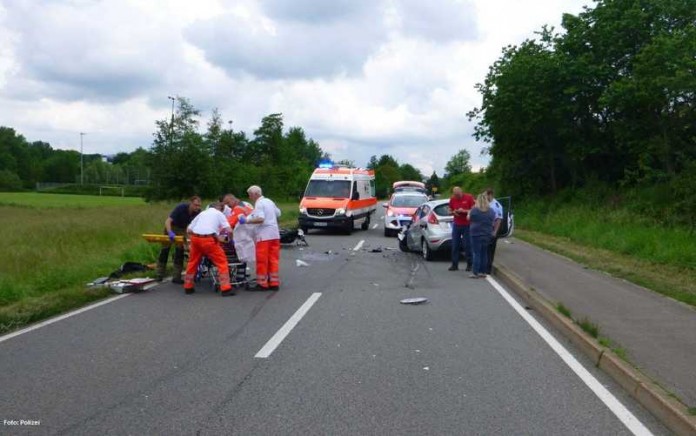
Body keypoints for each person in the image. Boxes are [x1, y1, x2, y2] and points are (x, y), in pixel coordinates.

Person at [183, 202, 234, 296]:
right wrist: (230, 239)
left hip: (195, 239)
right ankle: (226, 289)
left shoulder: (202, 213)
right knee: (222, 262)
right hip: (208, 240)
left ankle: (188, 287)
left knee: (192, 262)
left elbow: (189, 230)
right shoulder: (219, 214)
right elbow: (229, 230)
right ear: (218, 208)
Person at [240, 185, 281, 291]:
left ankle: (262, 283)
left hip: (264, 236)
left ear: (255, 194)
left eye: (250, 195)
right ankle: (274, 282)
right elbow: (278, 213)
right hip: (274, 235)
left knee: (262, 260)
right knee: (273, 259)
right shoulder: (269, 201)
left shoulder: (259, 203)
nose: (249, 198)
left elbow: (261, 219)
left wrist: (247, 221)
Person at [156, 196, 202, 283]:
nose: (197, 207)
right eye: (196, 205)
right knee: (165, 251)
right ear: (191, 203)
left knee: (180, 252)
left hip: (183, 229)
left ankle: (176, 276)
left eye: (199, 206)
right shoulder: (181, 208)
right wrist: (169, 232)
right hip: (172, 227)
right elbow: (168, 221)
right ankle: (159, 274)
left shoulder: (198, 213)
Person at [222, 193, 256, 277]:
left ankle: (238, 276)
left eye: (228, 203)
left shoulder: (237, 209)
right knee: (243, 257)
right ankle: (241, 275)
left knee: (238, 255)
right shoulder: (246, 206)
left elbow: (229, 224)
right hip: (250, 235)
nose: (228, 206)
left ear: (232, 199)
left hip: (241, 236)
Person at [468, 192, 496, 278]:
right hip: (487, 233)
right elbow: (493, 221)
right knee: (484, 253)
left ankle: (475, 272)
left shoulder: (475, 210)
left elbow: (469, 218)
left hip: (476, 233)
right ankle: (483, 271)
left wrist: (469, 213)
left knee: (476, 253)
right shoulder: (491, 211)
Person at [448, 187, 475, 271]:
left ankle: (469, 264)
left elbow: (474, 209)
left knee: (467, 245)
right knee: (455, 245)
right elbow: (449, 210)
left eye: (458, 195)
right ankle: (454, 264)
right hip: (457, 224)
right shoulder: (452, 199)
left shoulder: (469, 197)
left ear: (461, 192)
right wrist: (453, 212)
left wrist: (464, 211)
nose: (457, 196)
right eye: (455, 195)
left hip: (467, 224)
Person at [485, 188, 504, 274]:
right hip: (485, 228)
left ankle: (488, 268)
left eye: (486, 195)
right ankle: (484, 266)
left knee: (490, 250)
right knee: (485, 249)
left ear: (490, 195)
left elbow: (498, 220)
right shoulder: (487, 203)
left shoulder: (496, 205)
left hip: (492, 229)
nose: (485, 197)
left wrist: (495, 232)